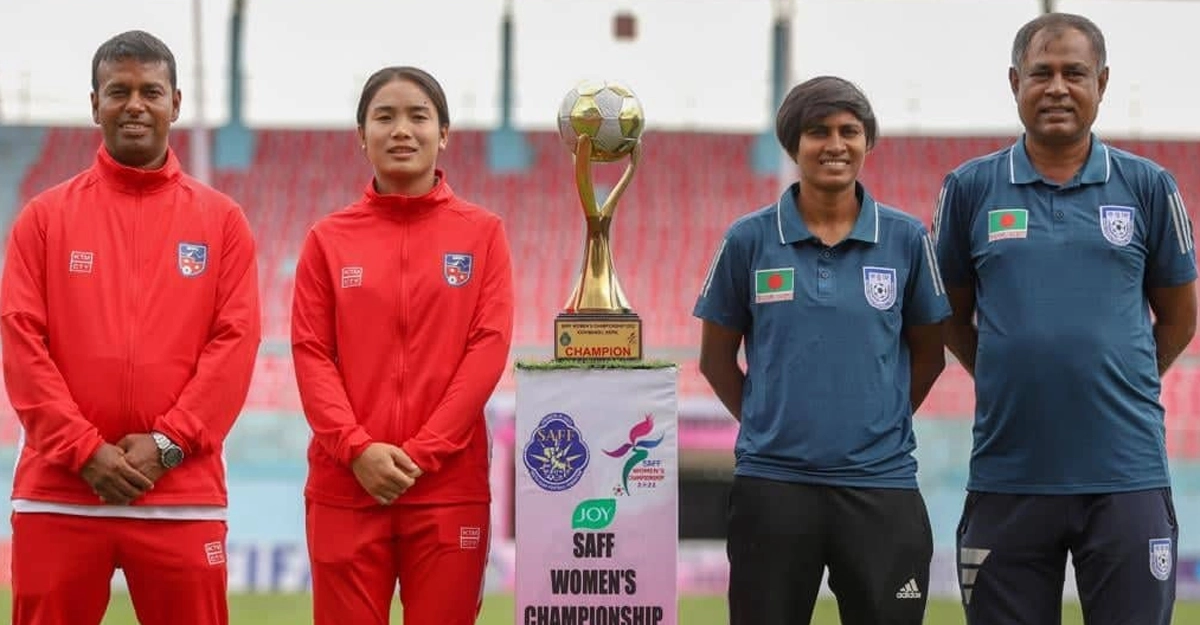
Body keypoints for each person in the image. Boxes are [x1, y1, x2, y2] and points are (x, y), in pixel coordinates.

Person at [933, 12, 1197, 625]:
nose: (1057, 87)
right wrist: (1004, 369)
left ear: (1101, 83)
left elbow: (1180, 318)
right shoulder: (969, 188)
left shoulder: (1149, 187)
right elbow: (948, 315)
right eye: (1041, 73)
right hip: (1009, 473)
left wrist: (1122, 378)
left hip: (1125, 473)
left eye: (1074, 73)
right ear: (1014, 82)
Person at [0, 30, 261, 625]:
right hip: (60, 494)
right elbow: (22, 346)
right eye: (118, 91)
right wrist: (83, 452)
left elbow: (235, 345)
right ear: (95, 105)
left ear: (176, 103)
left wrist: (168, 445)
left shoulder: (222, 221)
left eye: (151, 92)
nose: (135, 105)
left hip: (181, 496)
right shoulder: (43, 218)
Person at [693, 75, 950, 625]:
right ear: (794, 144)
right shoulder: (748, 240)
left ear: (867, 141)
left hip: (880, 487)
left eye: (849, 131)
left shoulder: (907, 239)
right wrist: (769, 423)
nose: (835, 144)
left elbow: (930, 354)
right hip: (774, 487)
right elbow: (715, 360)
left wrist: (879, 421)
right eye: (818, 131)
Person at [291, 66, 514, 625]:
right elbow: (311, 355)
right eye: (384, 117)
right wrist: (356, 450)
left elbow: (487, 350)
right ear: (360, 134)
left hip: (447, 488)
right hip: (346, 486)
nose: (401, 130)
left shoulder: (483, 234)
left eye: (418, 116)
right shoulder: (327, 240)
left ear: (444, 134)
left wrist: (423, 453)